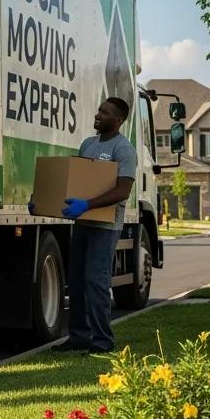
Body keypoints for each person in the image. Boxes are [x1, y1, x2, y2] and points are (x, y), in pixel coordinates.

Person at [39, 97, 137, 354]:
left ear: (118, 120)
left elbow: (123, 191)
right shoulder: (88, 144)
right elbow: (76, 183)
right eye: (98, 109)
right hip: (83, 224)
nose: (98, 114)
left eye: (104, 112)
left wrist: (87, 204)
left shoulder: (123, 149)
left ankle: (103, 342)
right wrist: (40, 201)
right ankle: (79, 337)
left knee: (96, 281)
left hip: (105, 228)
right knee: (78, 281)